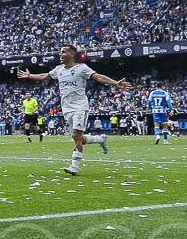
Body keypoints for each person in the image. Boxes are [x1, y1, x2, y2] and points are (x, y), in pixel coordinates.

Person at [18, 46, 130, 175]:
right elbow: (45, 76)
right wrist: (29, 75)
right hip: (67, 108)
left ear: (71, 54)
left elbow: (98, 77)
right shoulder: (58, 70)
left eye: (63, 52)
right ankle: (100, 139)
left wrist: (116, 83)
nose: (60, 54)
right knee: (79, 138)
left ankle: (75, 166)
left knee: (77, 135)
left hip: (80, 106)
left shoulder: (81, 68)